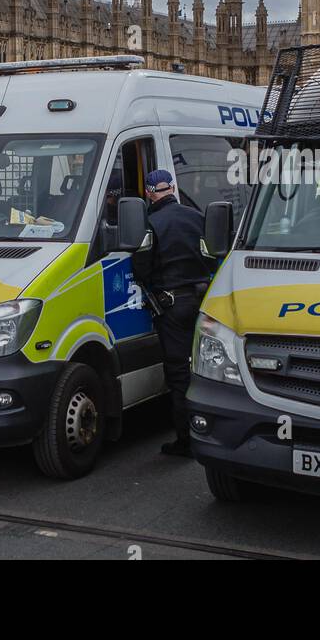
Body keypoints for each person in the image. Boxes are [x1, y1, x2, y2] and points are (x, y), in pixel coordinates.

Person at [142, 167, 208, 457]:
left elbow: (141, 269)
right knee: (207, 371)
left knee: (179, 374)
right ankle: (211, 431)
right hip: (203, 301)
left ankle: (186, 441)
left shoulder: (151, 223)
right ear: (174, 189)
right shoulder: (197, 217)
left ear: (149, 192)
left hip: (171, 306)